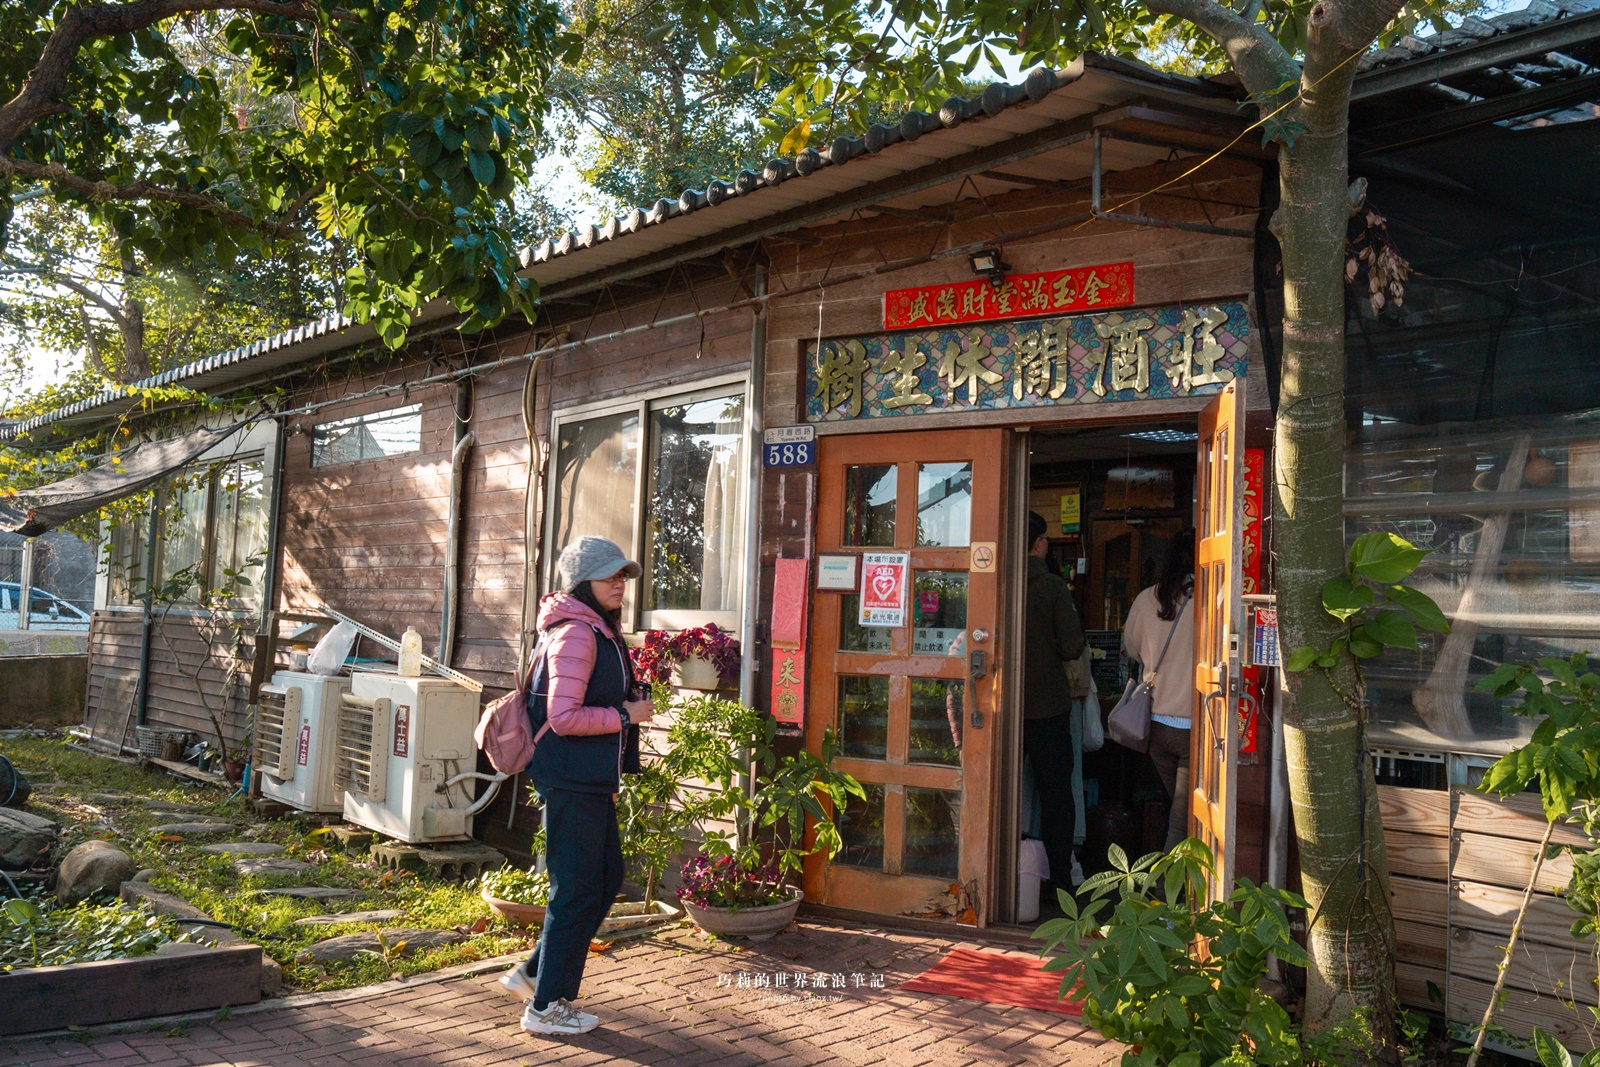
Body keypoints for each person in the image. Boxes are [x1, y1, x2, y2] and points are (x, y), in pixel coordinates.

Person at [500, 536, 654, 1036]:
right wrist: (625, 714)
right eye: (609, 576)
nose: (619, 584)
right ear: (582, 582)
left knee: (605, 879)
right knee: (577, 889)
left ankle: (532, 976)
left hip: (586, 780)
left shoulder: (596, 629)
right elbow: (563, 717)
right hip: (569, 778)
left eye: (623, 576)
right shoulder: (577, 634)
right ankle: (546, 1007)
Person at [1022, 510, 1086, 894]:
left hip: (1000, 709)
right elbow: (1072, 645)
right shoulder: (1050, 586)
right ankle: (1060, 883)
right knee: (1056, 797)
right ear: (1040, 543)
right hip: (1047, 706)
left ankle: (1003, 871)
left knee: (997, 791)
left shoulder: (995, 579)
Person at [1122, 532, 1196, 851]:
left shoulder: (1146, 598)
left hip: (1156, 725)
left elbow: (1132, 650)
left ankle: (1172, 892)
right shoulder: (1213, 597)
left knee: (1174, 813)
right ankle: (1166, 895)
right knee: (1182, 825)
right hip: (1194, 728)